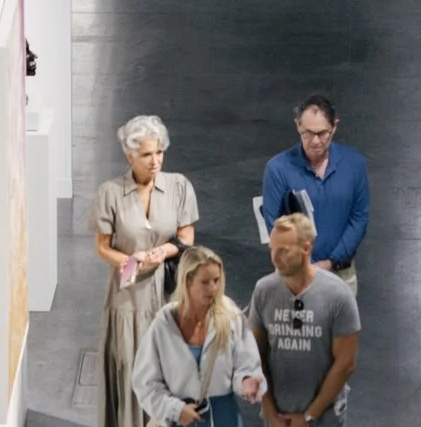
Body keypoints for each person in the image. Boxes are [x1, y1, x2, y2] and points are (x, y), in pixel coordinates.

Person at [97, 115, 202, 427]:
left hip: (168, 294)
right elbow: (102, 247)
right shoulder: (110, 192)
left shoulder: (179, 186)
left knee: (168, 370)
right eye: (146, 154)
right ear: (129, 155)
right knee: (130, 368)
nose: (155, 161)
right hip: (127, 298)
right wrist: (132, 260)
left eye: (159, 152)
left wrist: (162, 252)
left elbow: (186, 236)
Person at [134, 245, 266, 427]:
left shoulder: (231, 316)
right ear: (187, 281)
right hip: (181, 420)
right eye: (205, 282)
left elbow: (248, 365)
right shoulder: (163, 324)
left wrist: (247, 381)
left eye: (216, 280)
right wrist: (175, 410)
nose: (213, 288)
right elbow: (145, 383)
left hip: (224, 418)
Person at [252, 214, 360, 427]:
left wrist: (310, 416)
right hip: (278, 419)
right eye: (272, 249)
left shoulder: (338, 295)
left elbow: (345, 364)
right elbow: (255, 357)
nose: (275, 258)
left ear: (306, 248)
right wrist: (270, 413)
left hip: (324, 420)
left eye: (284, 251)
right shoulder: (264, 291)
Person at [261, 93, 373, 283]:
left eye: (322, 133)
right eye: (308, 133)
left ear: (334, 127)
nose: (315, 141)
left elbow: (359, 219)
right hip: (294, 275)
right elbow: (274, 226)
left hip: (341, 275)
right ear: (298, 125)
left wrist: (330, 263)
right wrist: (305, 267)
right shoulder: (277, 169)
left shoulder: (354, 165)